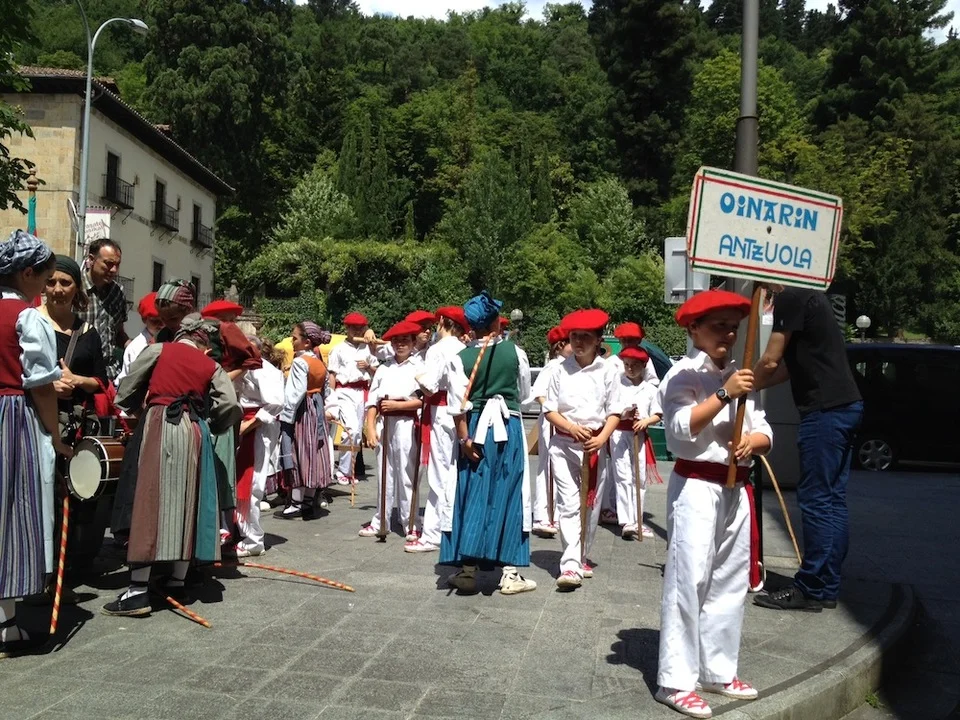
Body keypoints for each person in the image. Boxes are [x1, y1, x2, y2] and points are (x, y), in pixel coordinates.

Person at [655, 289, 772, 718]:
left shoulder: (740, 375)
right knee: (689, 579)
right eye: (718, 326)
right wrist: (723, 394)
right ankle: (674, 680)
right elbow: (679, 427)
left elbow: (765, 430)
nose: (728, 334)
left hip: (736, 487)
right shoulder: (682, 375)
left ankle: (717, 668)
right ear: (694, 329)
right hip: (696, 486)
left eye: (733, 327)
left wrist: (752, 442)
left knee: (729, 580)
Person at [102, 315, 241, 617]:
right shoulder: (211, 366)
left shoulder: (158, 350)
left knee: (149, 500)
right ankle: (177, 582)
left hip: (161, 422)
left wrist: (138, 407)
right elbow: (230, 404)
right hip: (195, 429)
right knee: (189, 501)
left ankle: (137, 591)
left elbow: (127, 389)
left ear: (181, 334)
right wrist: (213, 423)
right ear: (203, 341)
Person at [752, 286, 863, 613]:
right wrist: (754, 384)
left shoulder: (791, 297)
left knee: (816, 500)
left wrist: (734, 388)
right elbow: (787, 368)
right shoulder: (810, 297)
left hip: (824, 411)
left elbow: (771, 360)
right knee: (832, 500)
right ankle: (827, 586)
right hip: (846, 406)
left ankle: (810, 588)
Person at [0, 231, 73, 657]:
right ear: (27, 274)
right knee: (12, 512)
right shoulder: (27, 318)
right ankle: (6, 625)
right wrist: (56, 437)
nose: (47, 288)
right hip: (12, 417)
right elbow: (42, 387)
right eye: (45, 279)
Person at [442, 291, 536, 596]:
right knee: (509, 491)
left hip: (474, 429)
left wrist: (464, 439)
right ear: (496, 322)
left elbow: (457, 405)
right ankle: (509, 573)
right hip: (507, 428)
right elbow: (523, 394)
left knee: (472, 490)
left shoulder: (460, 359)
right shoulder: (515, 353)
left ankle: (467, 570)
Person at [542, 309, 623, 590]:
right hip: (564, 444)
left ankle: (582, 553)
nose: (578, 342)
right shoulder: (559, 370)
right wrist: (570, 427)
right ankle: (570, 563)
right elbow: (550, 410)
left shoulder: (610, 370)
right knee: (568, 503)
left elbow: (615, 411)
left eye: (585, 337)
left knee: (591, 504)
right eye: (574, 336)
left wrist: (602, 439)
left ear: (598, 340)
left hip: (595, 445)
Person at [407, 306, 468, 553]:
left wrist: (417, 375)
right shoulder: (465, 348)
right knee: (454, 470)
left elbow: (430, 386)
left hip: (441, 411)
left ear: (443, 321)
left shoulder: (437, 349)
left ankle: (435, 533)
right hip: (460, 413)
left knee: (439, 472)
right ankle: (450, 525)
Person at [359, 320, 424, 539]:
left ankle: (410, 522)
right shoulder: (383, 368)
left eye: (405, 340)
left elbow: (425, 400)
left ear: (413, 342)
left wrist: (399, 406)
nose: (400, 344)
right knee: (384, 473)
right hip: (384, 422)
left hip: (407, 423)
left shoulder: (419, 367)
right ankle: (381, 520)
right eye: (396, 341)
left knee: (406, 472)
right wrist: (369, 428)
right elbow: (372, 401)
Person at [39, 256, 108, 436]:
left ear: (76, 288)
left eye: (65, 283)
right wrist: (47, 387)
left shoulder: (88, 333)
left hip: (74, 426)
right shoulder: (30, 323)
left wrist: (76, 380)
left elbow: (101, 382)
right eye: (51, 282)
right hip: (36, 423)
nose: (58, 289)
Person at [599, 322, 659, 526]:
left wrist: (644, 408)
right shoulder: (610, 363)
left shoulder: (646, 361)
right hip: (616, 425)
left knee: (637, 475)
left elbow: (652, 384)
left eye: (632, 340)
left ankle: (634, 517)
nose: (627, 343)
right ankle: (612, 510)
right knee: (618, 471)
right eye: (624, 340)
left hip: (638, 426)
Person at [276, 321, 334, 520]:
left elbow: (296, 392)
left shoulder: (300, 362)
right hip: (316, 409)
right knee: (312, 452)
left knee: (299, 452)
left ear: (306, 342)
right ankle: (308, 500)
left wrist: (286, 416)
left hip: (302, 412)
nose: (292, 341)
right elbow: (326, 390)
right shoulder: (319, 363)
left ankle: (296, 503)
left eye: (294, 338)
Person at [233, 332, 284, 556]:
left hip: (257, 429)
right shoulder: (241, 368)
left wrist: (249, 425)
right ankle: (238, 530)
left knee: (251, 482)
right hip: (240, 423)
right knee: (238, 481)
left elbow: (275, 403)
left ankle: (253, 539)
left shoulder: (267, 371)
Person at [610, 347, 662, 541]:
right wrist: (625, 413)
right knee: (622, 475)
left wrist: (646, 421)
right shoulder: (617, 384)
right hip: (619, 433)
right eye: (626, 365)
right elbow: (612, 410)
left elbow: (658, 413)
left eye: (634, 365)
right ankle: (626, 521)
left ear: (643, 366)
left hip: (638, 434)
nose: (630, 369)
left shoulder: (650, 389)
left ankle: (638, 519)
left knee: (638, 477)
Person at [530, 325, 571, 538]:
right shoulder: (554, 366)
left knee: (561, 467)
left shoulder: (570, 366)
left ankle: (556, 512)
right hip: (552, 420)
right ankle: (543, 514)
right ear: (560, 345)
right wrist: (551, 409)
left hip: (564, 420)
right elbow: (538, 393)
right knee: (548, 465)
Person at [328, 312, 377, 485]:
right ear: (347, 328)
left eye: (360, 328)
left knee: (357, 434)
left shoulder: (368, 348)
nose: (357, 331)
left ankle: (350, 470)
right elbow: (332, 374)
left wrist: (368, 367)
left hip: (362, 391)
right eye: (353, 328)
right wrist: (331, 397)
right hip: (344, 391)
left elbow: (377, 371)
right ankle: (342, 470)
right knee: (351, 429)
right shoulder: (338, 349)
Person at [80, 239, 127, 383]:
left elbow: (119, 333)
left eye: (117, 265)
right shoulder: (74, 289)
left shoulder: (118, 293)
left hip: (110, 376)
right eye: (109, 264)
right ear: (91, 259)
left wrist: (136, 347)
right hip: (80, 375)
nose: (114, 270)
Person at [115, 292, 162, 387]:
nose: (161, 325)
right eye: (155, 321)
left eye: (164, 320)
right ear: (144, 320)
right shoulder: (136, 347)